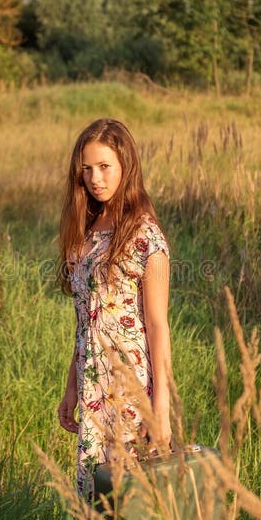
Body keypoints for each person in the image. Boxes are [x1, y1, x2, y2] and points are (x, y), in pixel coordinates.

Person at [57, 118, 173, 499]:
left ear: (126, 165)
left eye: (105, 167)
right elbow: (85, 323)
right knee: (96, 503)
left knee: (130, 502)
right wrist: (72, 387)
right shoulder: (85, 233)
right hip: (93, 386)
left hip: (130, 390)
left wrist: (161, 410)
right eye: (87, 169)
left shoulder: (144, 234)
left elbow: (157, 326)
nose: (95, 178)